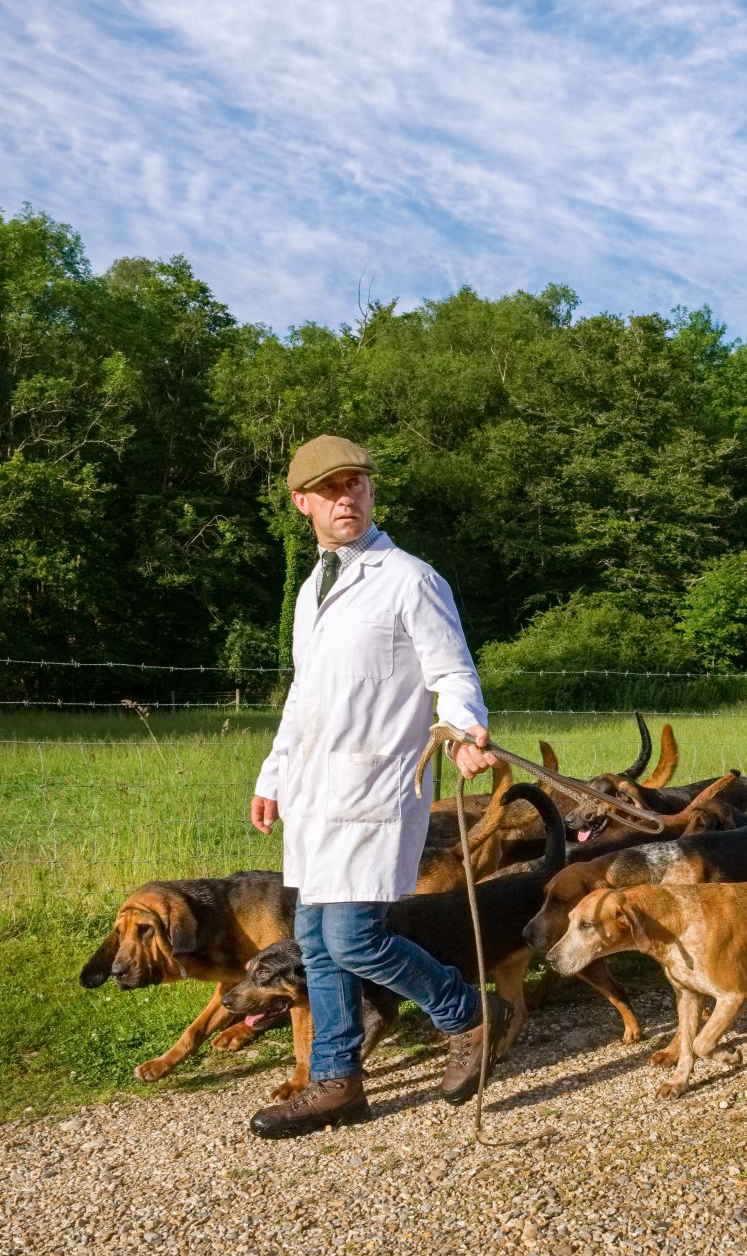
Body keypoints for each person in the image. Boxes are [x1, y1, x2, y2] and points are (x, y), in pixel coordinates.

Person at [245, 434, 506, 1138]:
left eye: (356, 483)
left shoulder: (409, 578)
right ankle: (336, 1082)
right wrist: (272, 775)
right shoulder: (312, 590)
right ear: (302, 503)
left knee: (355, 939)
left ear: (370, 492)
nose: (346, 497)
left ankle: (469, 1013)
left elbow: (452, 671)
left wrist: (461, 729)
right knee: (316, 940)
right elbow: (305, 696)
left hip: (377, 786)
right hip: (314, 794)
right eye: (329, 489)